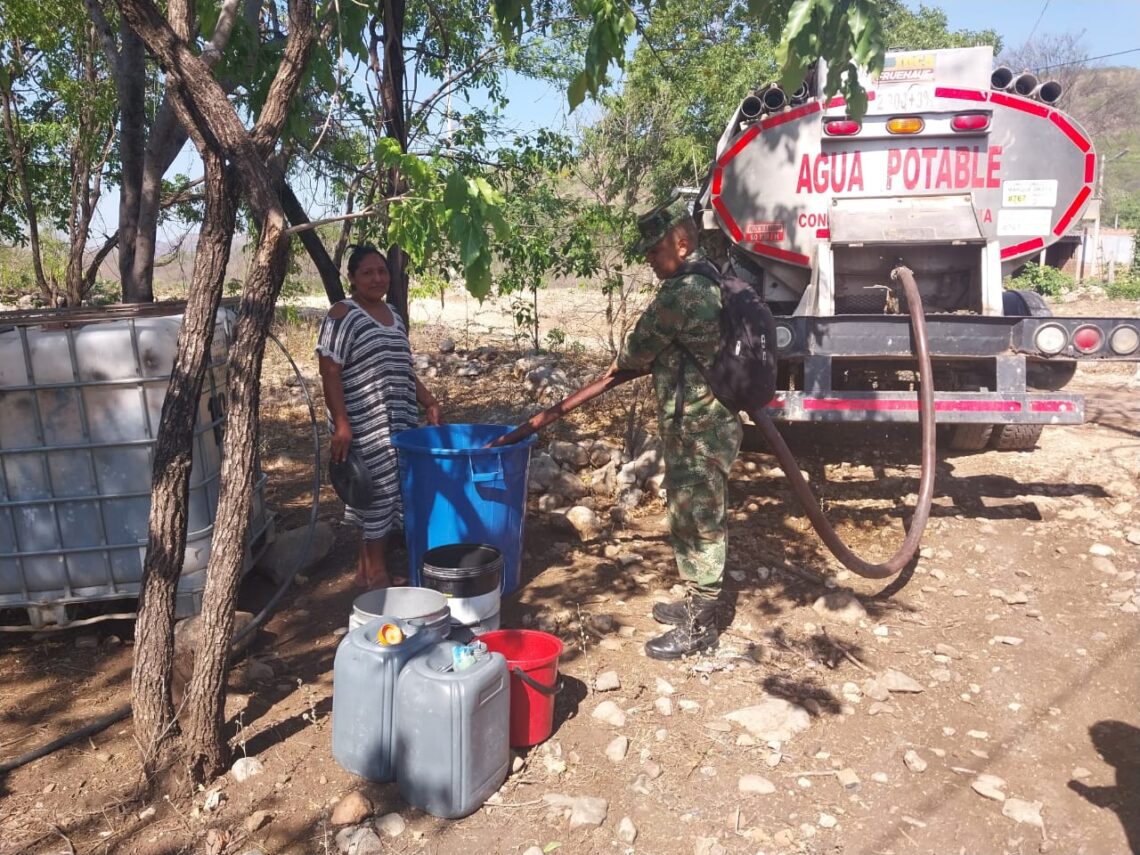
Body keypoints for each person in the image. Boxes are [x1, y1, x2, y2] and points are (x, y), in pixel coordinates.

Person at [606, 193, 743, 660]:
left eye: (654, 248)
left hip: (700, 428)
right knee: (687, 512)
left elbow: (637, 348)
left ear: (681, 243)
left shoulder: (684, 292)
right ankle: (694, 603)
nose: (648, 257)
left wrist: (625, 358)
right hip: (703, 424)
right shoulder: (709, 280)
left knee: (700, 519)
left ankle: (701, 627)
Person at [317, 244, 443, 590]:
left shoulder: (393, 314)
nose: (377, 278)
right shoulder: (342, 314)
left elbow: (403, 368)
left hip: (397, 419)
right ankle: (377, 576)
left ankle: (364, 570)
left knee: (376, 492)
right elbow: (329, 369)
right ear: (353, 278)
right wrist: (341, 422)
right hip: (362, 423)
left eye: (382, 271)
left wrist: (428, 400)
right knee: (379, 495)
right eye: (368, 272)